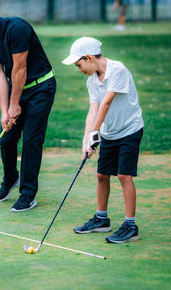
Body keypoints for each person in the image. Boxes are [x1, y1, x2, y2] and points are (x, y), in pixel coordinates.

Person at [0, 10, 56, 212]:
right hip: (18, 88)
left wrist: (15, 105)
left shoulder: (17, 28)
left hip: (41, 87)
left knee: (32, 140)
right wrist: (5, 111)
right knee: (6, 138)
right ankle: (11, 178)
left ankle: (28, 194)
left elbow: (19, 68)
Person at [62, 37, 144, 244]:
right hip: (110, 132)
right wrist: (86, 139)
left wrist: (94, 133)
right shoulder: (92, 80)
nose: (79, 69)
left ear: (89, 57)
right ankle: (101, 219)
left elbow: (106, 103)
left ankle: (130, 225)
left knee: (124, 175)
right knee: (101, 174)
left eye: (79, 64)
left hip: (129, 130)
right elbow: (94, 109)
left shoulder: (118, 70)